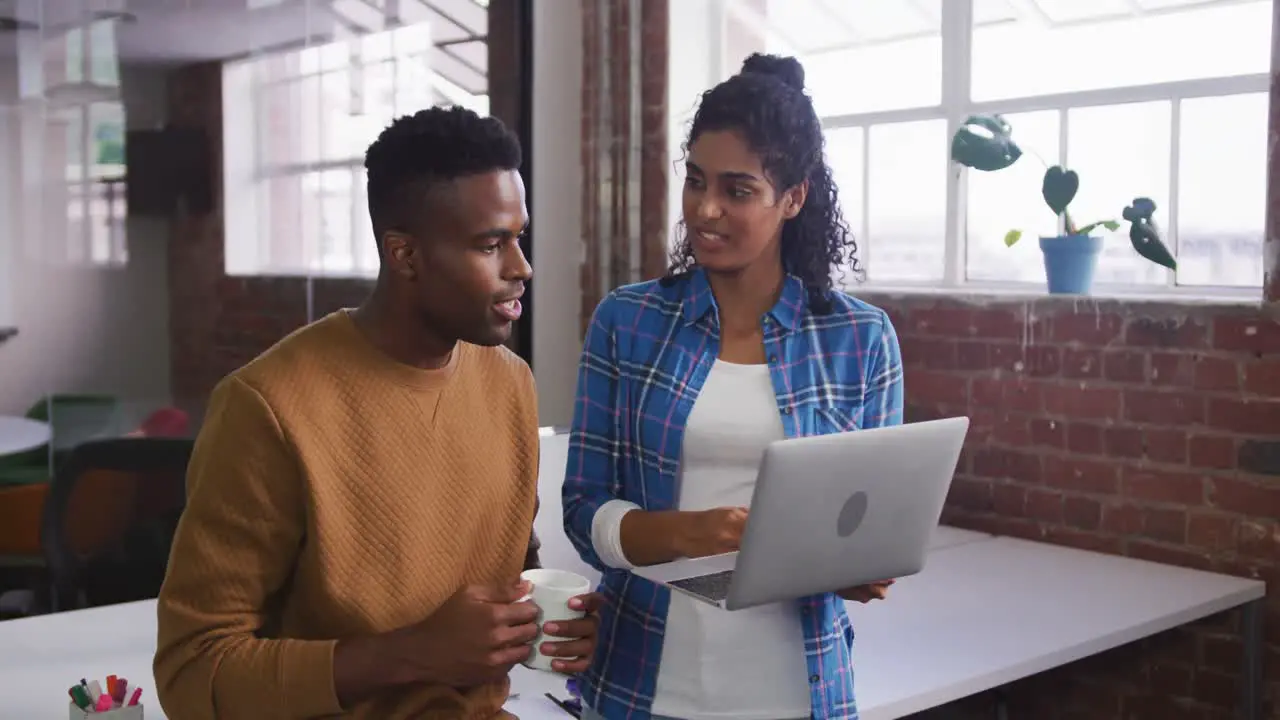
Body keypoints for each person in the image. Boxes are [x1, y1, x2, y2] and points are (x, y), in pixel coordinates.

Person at [154, 106, 601, 720]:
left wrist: (538, 623)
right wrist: (413, 654)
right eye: (490, 244)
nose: (521, 267)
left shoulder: (510, 385)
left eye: (518, 237)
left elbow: (508, 576)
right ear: (405, 255)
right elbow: (192, 672)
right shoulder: (266, 409)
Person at [562, 53, 904, 720]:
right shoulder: (627, 322)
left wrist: (862, 567)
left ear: (794, 198)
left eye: (738, 190)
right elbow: (582, 510)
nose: (706, 209)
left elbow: (869, 525)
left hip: (799, 692)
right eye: (696, 181)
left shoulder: (861, 339)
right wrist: (686, 533)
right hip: (642, 688)